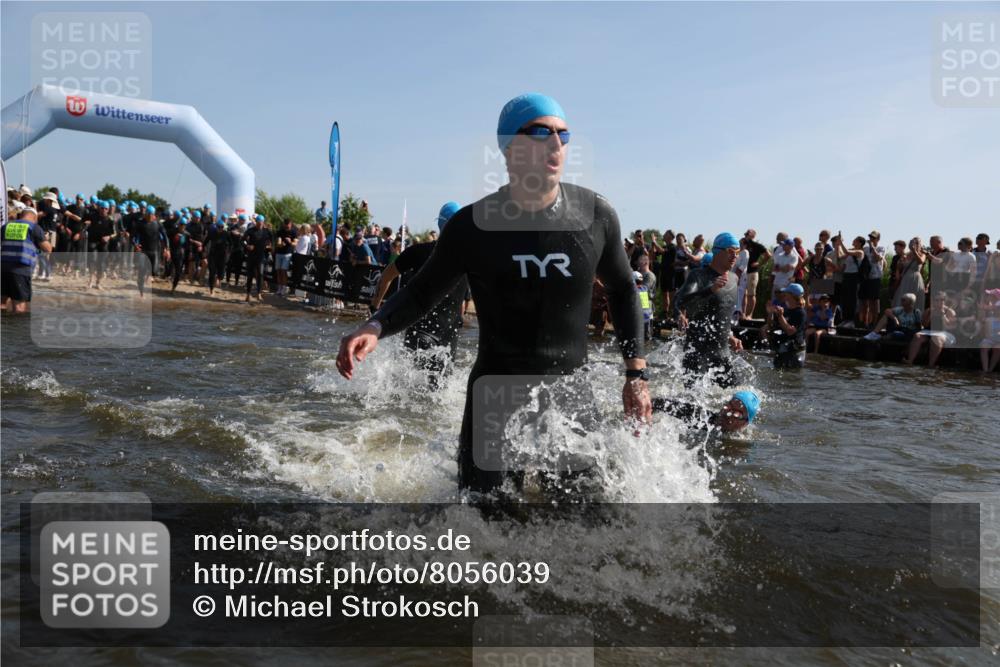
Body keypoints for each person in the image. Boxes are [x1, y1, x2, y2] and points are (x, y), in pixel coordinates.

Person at [336, 93, 649, 496]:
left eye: (563, 135)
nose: (556, 144)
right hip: (494, 399)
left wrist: (636, 375)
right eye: (541, 133)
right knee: (484, 527)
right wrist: (375, 325)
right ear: (510, 148)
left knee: (585, 524)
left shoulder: (595, 215)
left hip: (572, 395)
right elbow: (422, 291)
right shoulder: (472, 226)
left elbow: (624, 289)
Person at [369, 201, 468, 389]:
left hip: (419, 330)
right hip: (449, 337)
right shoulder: (469, 259)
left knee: (408, 389)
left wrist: (375, 305)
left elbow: (386, 276)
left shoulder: (418, 251)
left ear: (440, 224)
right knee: (440, 392)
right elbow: (464, 301)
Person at [675, 232, 744, 387]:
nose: (734, 256)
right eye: (731, 252)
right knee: (693, 406)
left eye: (737, 253)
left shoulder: (734, 279)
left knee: (736, 400)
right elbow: (682, 303)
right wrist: (710, 290)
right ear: (717, 252)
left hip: (722, 353)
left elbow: (721, 313)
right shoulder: (699, 276)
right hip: (697, 354)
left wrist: (730, 336)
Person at [1, 207, 53, 313]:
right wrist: (46, 239)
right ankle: (17, 329)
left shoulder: (6, 226)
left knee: (1, 303)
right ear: (34, 217)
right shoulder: (34, 227)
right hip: (20, 270)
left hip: (3, 268)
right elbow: (48, 249)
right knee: (19, 308)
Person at [652, 389, 760, 435]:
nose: (727, 414)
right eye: (728, 406)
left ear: (745, 423)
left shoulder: (742, 442)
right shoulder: (700, 417)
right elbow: (657, 403)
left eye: (736, 413)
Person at [905, 291, 957, 368]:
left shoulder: (949, 312)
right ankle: (910, 361)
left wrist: (943, 316)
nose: (940, 302)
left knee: (936, 338)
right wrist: (930, 315)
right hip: (930, 331)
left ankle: (931, 364)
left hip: (945, 333)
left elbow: (951, 327)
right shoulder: (928, 311)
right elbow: (924, 325)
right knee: (917, 336)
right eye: (937, 300)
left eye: (942, 300)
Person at [766, 283, 807, 369]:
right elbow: (771, 326)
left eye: (786, 293)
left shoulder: (800, 313)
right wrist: (770, 313)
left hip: (794, 352)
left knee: (792, 376)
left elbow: (790, 331)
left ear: (792, 296)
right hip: (782, 349)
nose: (783, 295)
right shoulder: (786, 311)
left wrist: (780, 316)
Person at [132, 205, 167, 298]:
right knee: (141, 273)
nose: (150, 216)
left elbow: (165, 236)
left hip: (154, 251)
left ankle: (149, 276)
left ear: (153, 215)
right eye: (148, 214)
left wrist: (167, 249)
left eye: (151, 214)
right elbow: (134, 237)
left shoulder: (158, 224)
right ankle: (141, 293)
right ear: (146, 214)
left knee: (155, 272)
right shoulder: (140, 224)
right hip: (143, 251)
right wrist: (136, 245)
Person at [834, 234, 865, 327]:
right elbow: (839, 256)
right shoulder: (850, 251)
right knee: (845, 298)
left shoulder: (860, 252)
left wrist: (841, 242)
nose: (853, 241)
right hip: (846, 276)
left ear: (859, 243)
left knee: (852, 298)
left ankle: (852, 320)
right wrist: (837, 245)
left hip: (854, 276)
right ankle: (845, 319)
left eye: (855, 240)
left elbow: (846, 251)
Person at [858, 231, 886, 328]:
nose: (871, 239)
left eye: (873, 238)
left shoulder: (881, 248)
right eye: (870, 237)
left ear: (878, 239)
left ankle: (874, 324)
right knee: (864, 302)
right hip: (865, 277)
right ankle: (864, 323)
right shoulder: (865, 249)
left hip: (875, 277)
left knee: (874, 302)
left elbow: (878, 258)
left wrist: (872, 247)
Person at [244, 214, 273, 302]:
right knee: (250, 276)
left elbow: (272, 240)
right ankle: (248, 294)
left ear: (263, 222)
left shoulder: (266, 231)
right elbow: (242, 240)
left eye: (261, 223)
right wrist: (247, 246)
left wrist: (271, 247)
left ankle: (258, 294)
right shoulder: (250, 231)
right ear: (256, 222)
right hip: (251, 256)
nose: (260, 224)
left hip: (261, 256)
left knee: (260, 275)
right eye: (258, 223)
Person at [86, 201, 114, 290]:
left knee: (101, 264)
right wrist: (83, 232)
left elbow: (115, 233)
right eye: (102, 208)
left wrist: (108, 237)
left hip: (103, 244)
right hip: (93, 241)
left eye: (106, 208)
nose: (104, 210)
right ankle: (90, 281)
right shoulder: (93, 216)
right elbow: (84, 224)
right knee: (92, 261)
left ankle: (98, 283)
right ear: (99, 208)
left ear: (108, 209)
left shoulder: (110, 220)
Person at [742, 229, 770, 318]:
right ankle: (742, 313)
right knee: (743, 294)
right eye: (746, 234)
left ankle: (749, 315)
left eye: (748, 234)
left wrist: (759, 263)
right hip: (742, 272)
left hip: (752, 272)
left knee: (751, 294)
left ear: (753, 236)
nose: (746, 236)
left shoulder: (757, 245)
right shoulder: (742, 244)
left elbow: (768, 255)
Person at [892, 238, 926, 308]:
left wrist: (914, 252)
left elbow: (921, 262)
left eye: (916, 243)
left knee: (915, 298)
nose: (914, 245)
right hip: (905, 278)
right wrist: (900, 263)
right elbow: (900, 267)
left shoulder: (922, 254)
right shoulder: (906, 255)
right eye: (912, 243)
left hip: (916, 279)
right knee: (903, 296)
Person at [204, 218, 230, 295]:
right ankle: (211, 289)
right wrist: (204, 252)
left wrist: (228, 252)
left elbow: (231, 244)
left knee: (221, 271)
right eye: (219, 227)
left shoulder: (226, 234)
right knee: (212, 272)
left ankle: (219, 278)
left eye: (222, 227)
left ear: (223, 227)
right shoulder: (212, 233)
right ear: (216, 227)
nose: (220, 229)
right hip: (213, 255)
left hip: (222, 255)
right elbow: (205, 243)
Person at [656, 230, 678, 318]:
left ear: (670, 236)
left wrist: (654, 241)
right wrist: (654, 245)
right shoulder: (665, 246)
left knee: (672, 294)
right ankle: (665, 312)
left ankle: (674, 313)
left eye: (665, 234)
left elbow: (662, 251)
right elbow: (656, 252)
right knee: (664, 293)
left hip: (671, 273)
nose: (664, 235)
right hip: (664, 273)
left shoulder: (672, 247)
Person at [978, 288, 1000, 372]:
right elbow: (982, 320)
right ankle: (986, 370)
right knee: (984, 346)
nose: (988, 296)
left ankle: (990, 370)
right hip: (990, 338)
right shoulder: (990, 312)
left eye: (990, 295)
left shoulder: (990, 309)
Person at [274, 218, 298, 296]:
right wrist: (280, 244)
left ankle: (284, 288)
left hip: (287, 254)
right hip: (279, 253)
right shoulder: (280, 231)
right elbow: (278, 242)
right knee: (278, 271)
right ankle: (279, 287)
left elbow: (295, 244)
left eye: (288, 225)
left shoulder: (294, 232)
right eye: (285, 225)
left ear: (291, 224)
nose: (286, 226)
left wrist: (290, 242)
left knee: (284, 271)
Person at [169, 218, 190, 293]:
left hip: (180, 254)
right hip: (172, 253)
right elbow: (168, 242)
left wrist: (188, 254)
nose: (182, 226)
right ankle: (169, 277)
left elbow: (187, 246)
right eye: (181, 225)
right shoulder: (173, 232)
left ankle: (173, 288)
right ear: (178, 225)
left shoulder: (187, 234)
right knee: (170, 269)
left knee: (178, 272)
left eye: (184, 225)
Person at [225, 215, 246, 286]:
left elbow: (246, 237)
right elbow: (228, 234)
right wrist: (232, 232)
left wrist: (239, 234)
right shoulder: (233, 227)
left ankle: (236, 282)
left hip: (240, 249)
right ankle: (227, 281)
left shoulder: (245, 228)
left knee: (238, 267)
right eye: (242, 219)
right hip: (232, 249)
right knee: (229, 266)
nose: (243, 221)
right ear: (239, 220)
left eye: (244, 220)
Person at [635, 270, 653, 341]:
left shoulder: (634, 290)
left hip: (638, 318)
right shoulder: (644, 288)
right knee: (646, 338)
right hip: (647, 317)